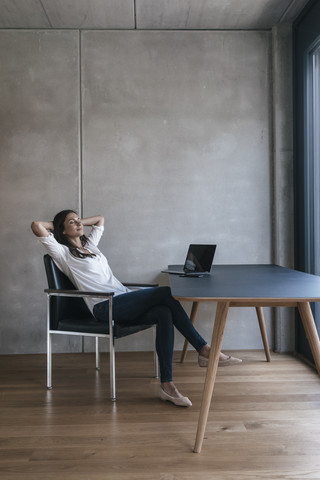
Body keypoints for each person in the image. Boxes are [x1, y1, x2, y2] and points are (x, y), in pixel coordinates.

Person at [31, 210, 241, 407]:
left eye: (79, 219)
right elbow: (36, 225)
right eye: (72, 222)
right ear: (61, 230)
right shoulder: (63, 253)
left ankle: (167, 385)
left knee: (163, 312)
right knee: (166, 293)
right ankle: (203, 349)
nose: (78, 223)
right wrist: (59, 224)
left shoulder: (90, 246)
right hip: (105, 307)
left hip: (122, 299)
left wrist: (76, 222)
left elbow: (100, 219)